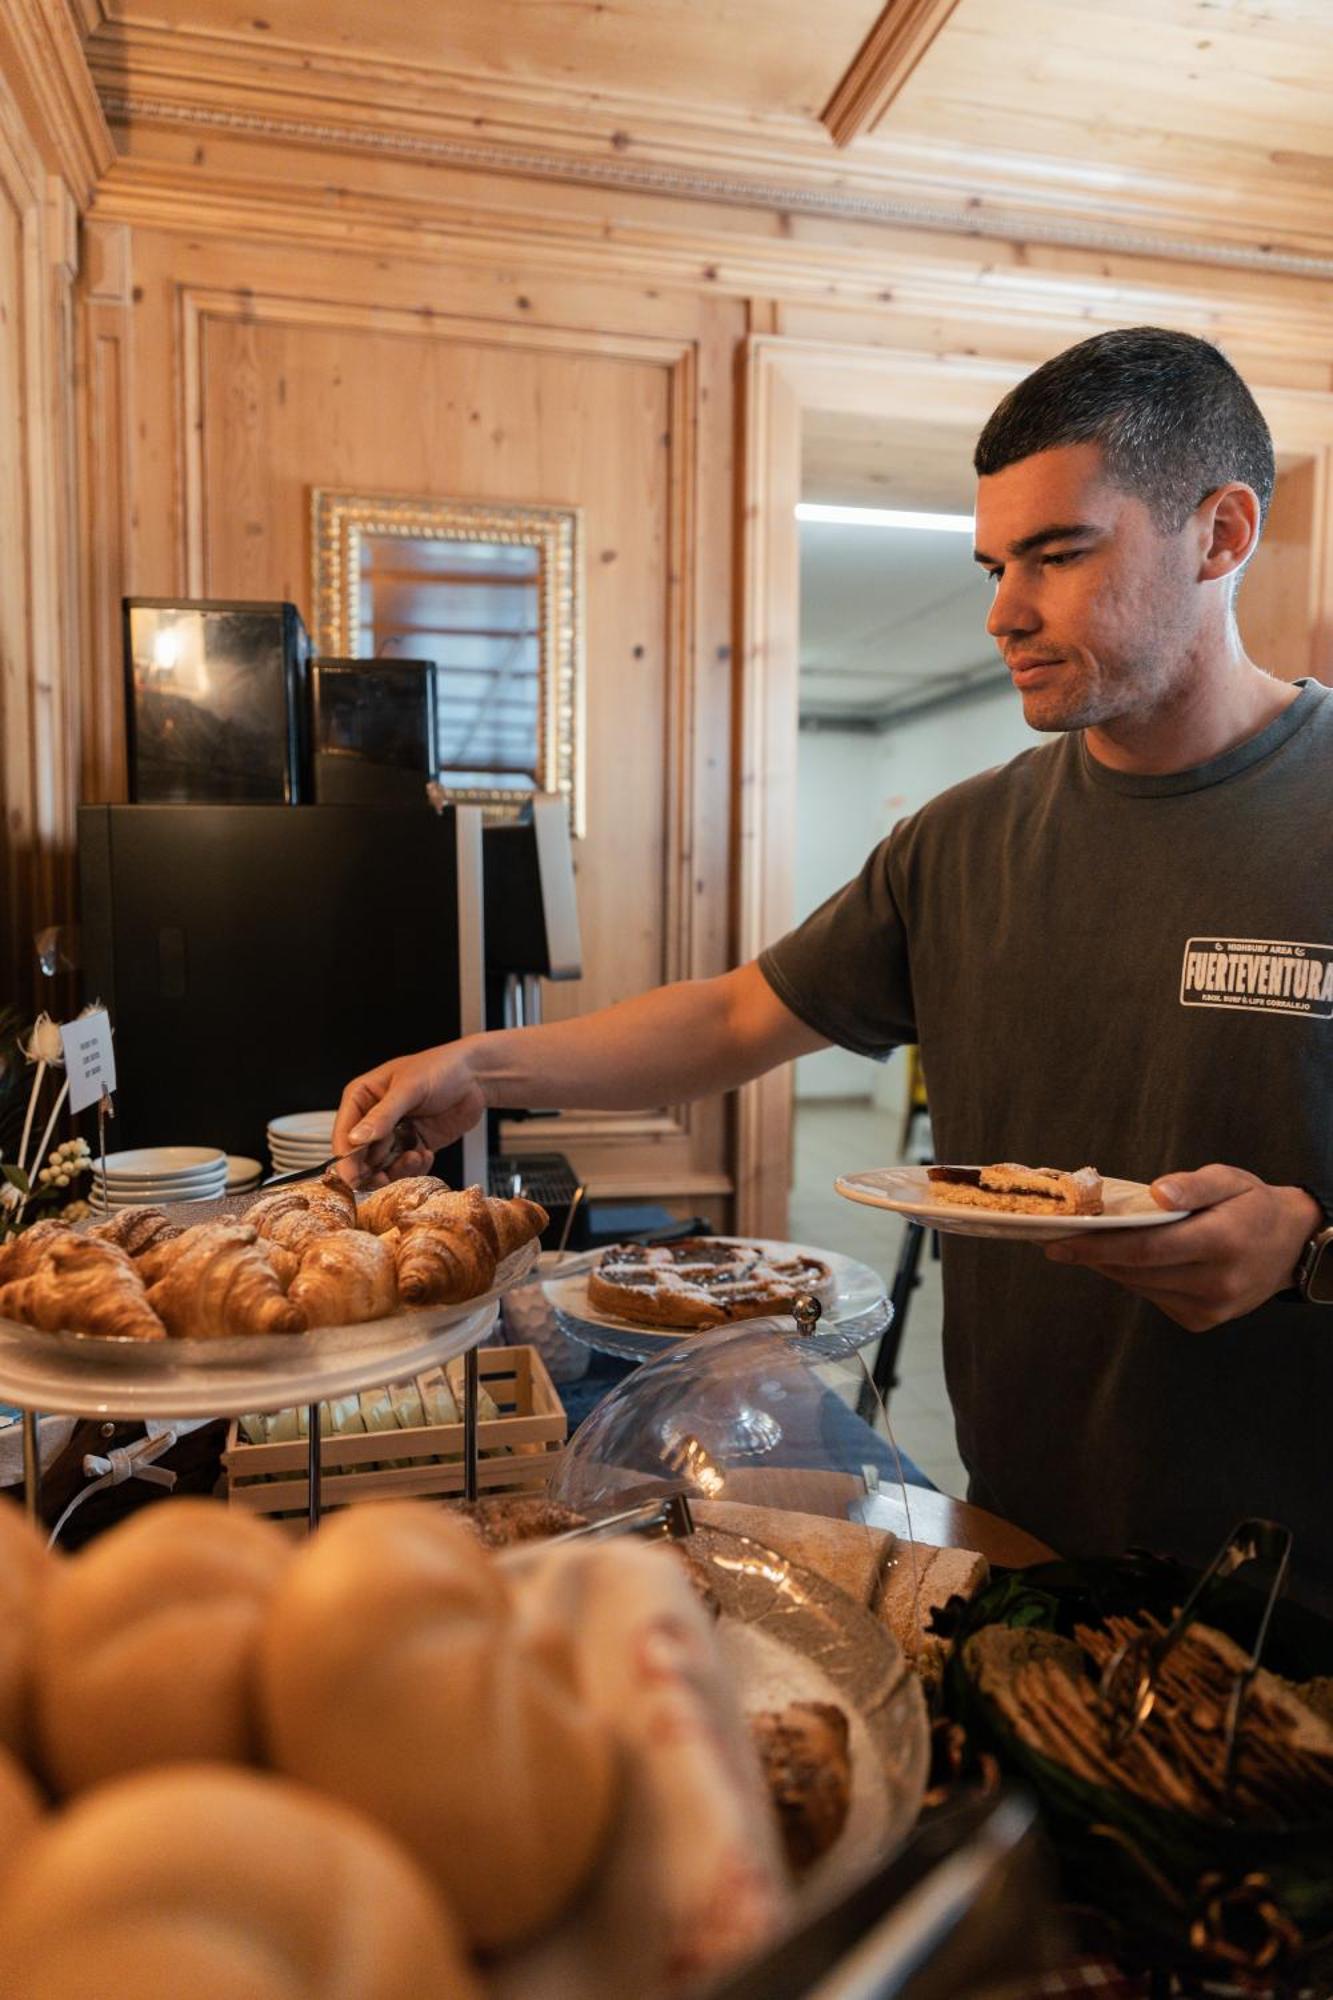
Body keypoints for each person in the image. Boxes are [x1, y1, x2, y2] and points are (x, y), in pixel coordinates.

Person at [334, 327, 1333, 1600]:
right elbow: (739, 1014)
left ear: (1222, 533)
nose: (1002, 610)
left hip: (1301, 1585)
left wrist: (1309, 1249)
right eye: (992, 563)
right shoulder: (963, 841)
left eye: (1060, 553)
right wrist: (480, 1059)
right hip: (1025, 1531)